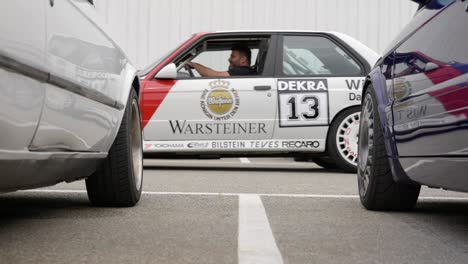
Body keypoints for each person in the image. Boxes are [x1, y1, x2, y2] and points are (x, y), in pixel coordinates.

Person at [185, 43, 257, 77]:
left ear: (243, 60)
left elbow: (214, 75)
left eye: (233, 56)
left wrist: (194, 65)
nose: (229, 59)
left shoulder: (243, 71)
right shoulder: (246, 72)